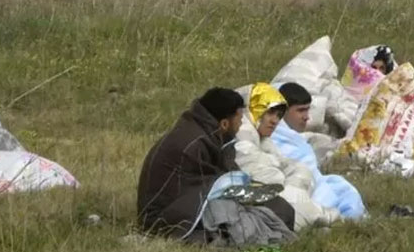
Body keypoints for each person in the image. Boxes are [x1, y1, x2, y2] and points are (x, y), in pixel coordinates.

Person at [137, 87, 296, 240]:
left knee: (279, 208)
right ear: (224, 123)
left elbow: (225, 177)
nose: (241, 125)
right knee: (249, 222)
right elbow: (214, 188)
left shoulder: (207, 133)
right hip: (163, 219)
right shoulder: (195, 143)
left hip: (186, 204)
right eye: (239, 119)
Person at [235, 83, 340, 229]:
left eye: (279, 116)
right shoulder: (242, 129)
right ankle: (324, 217)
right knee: (293, 198)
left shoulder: (261, 135)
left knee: (301, 175)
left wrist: (290, 171)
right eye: (270, 112)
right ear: (255, 108)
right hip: (247, 196)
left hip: (267, 193)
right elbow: (256, 170)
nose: (275, 120)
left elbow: (282, 162)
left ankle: (318, 217)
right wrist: (282, 174)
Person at [274, 82, 367, 219]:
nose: (306, 116)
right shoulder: (275, 138)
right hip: (299, 194)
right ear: (283, 111)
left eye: (307, 110)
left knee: (342, 188)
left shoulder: (294, 138)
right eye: (300, 110)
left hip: (314, 186)